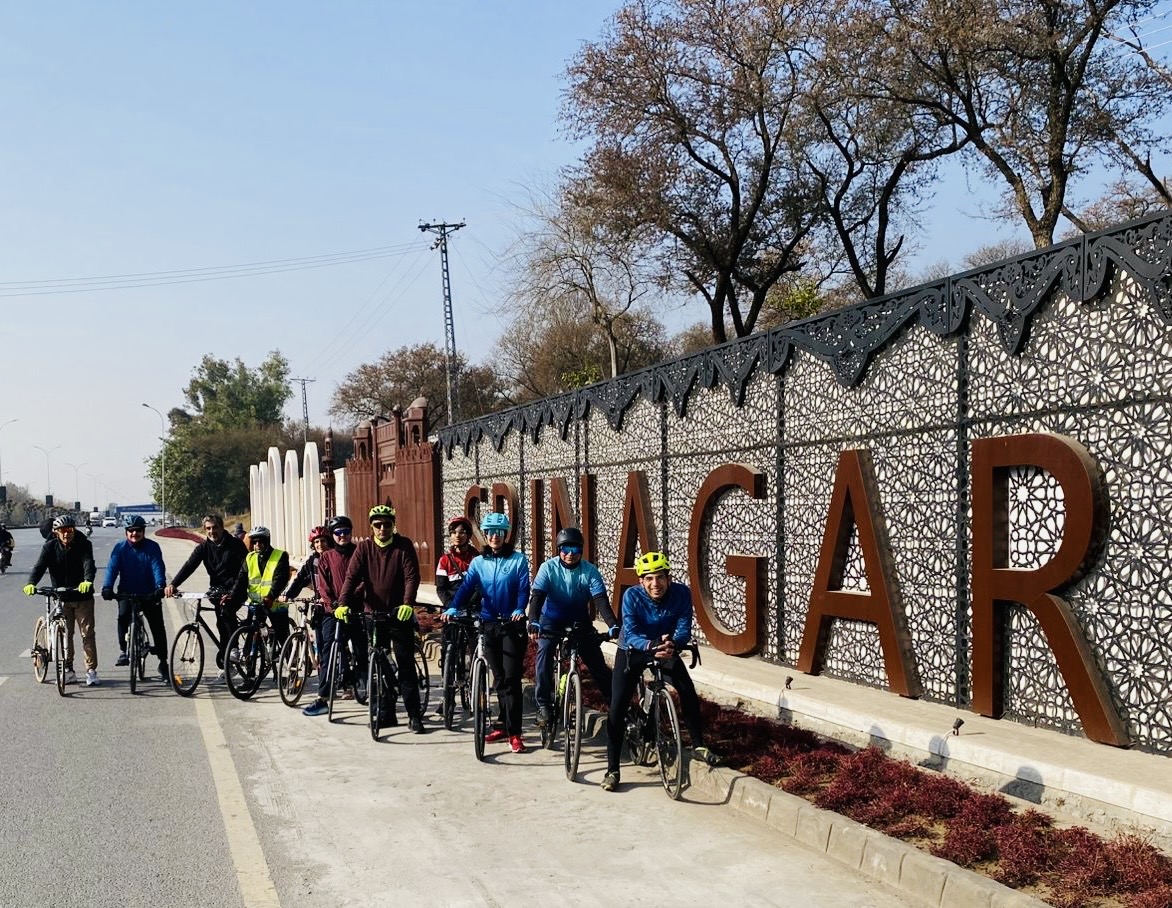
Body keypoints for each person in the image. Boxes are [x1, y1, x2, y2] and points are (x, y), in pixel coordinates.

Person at [602, 551, 721, 793]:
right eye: (649, 579)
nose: (655, 584)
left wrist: (674, 644)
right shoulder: (631, 596)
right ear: (641, 581)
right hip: (633, 649)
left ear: (669, 578)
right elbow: (631, 632)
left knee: (687, 690)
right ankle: (612, 769)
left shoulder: (682, 593)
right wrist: (650, 645)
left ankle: (698, 745)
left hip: (665, 647)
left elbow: (684, 626)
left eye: (660, 577)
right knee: (617, 707)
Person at [337, 504, 427, 734]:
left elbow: (411, 577)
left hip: (399, 614)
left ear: (393, 525)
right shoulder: (364, 548)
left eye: (387, 524)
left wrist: (407, 604)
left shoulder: (403, 545)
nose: (382, 528)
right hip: (373, 615)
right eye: (378, 525)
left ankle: (414, 715)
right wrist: (343, 603)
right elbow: (351, 577)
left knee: (405, 664)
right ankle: (386, 714)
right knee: (378, 664)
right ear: (371, 527)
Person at [448, 511, 531, 753]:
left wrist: (519, 608)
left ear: (506, 535)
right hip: (489, 625)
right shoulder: (478, 562)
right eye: (490, 532)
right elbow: (466, 588)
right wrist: (453, 607)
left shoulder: (518, 560)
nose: (495, 536)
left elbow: (523, 589)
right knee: (499, 680)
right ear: (484, 535)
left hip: (512, 625)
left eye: (499, 532)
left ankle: (515, 733)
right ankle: (502, 725)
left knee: (511, 679)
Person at [526, 526, 619, 730]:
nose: (570, 554)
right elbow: (537, 597)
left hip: (579, 622)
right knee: (544, 653)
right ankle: (543, 705)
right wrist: (533, 621)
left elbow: (601, 601)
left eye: (575, 550)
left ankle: (617, 707)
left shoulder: (590, 571)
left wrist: (613, 624)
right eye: (565, 549)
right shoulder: (548, 568)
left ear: (581, 551)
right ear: (558, 550)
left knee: (597, 663)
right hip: (551, 621)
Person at [23, 514, 100, 686]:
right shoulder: (49, 547)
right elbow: (39, 567)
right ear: (56, 532)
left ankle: (91, 671)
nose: (67, 534)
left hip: (82, 597)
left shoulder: (84, 544)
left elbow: (88, 563)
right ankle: (68, 669)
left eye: (70, 530)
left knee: (87, 634)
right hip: (61, 597)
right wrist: (31, 583)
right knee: (66, 634)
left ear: (74, 530)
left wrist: (87, 581)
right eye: (62, 531)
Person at [165, 513, 248, 668]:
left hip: (237, 588)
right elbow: (189, 566)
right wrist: (173, 584)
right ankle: (227, 661)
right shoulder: (204, 548)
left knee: (226, 610)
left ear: (222, 527)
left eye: (215, 527)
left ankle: (234, 649)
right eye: (208, 528)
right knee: (220, 623)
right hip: (217, 590)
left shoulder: (235, 545)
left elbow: (244, 572)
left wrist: (233, 592)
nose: (211, 531)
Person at [301, 515, 363, 717]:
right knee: (328, 652)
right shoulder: (327, 557)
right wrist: (333, 604)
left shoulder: (360, 553)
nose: (342, 535)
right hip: (332, 611)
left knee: (362, 650)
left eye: (346, 531)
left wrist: (348, 601)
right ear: (333, 535)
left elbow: (364, 581)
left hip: (356, 609)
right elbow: (323, 586)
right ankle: (323, 698)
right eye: (338, 532)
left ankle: (370, 690)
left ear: (351, 533)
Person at [102, 515, 168, 679]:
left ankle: (163, 663)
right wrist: (107, 587)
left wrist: (160, 586)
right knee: (123, 617)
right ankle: (123, 650)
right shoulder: (120, 548)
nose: (134, 534)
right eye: (131, 531)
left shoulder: (152, 547)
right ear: (126, 532)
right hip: (127, 592)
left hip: (149, 593)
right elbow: (112, 569)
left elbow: (157, 567)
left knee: (157, 627)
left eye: (138, 530)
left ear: (143, 531)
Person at [436, 514, 480, 715]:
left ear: (468, 535)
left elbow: (480, 586)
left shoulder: (477, 558)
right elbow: (441, 588)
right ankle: (447, 697)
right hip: (452, 611)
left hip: (472, 609)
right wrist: (451, 606)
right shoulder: (445, 560)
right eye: (453, 532)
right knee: (448, 651)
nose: (457, 536)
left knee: (476, 649)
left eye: (462, 532)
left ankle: (478, 693)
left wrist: (468, 604)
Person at [227, 525, 292, 648]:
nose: (257, 544)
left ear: (267, 540)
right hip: (256, 604)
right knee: (252, 633)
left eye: (261, 541)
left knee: (282, 637)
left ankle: (289, 656)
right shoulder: (250, 557)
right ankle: (250, 655)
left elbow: (280, 579)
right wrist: (232, 595)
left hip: (275, 603)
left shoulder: (280, 555)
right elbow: (241, 579)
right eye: (254, 542)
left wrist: (271, 596)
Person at [281, 526, 330, 602]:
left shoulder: (336, 559)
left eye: (323, 541)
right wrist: (287, 595)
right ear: (313, 545)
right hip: (319, 602)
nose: (320, 544)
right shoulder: (312, 562)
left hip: (336, 602)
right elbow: (299, 579)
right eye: (317, 542)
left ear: (328, 542)